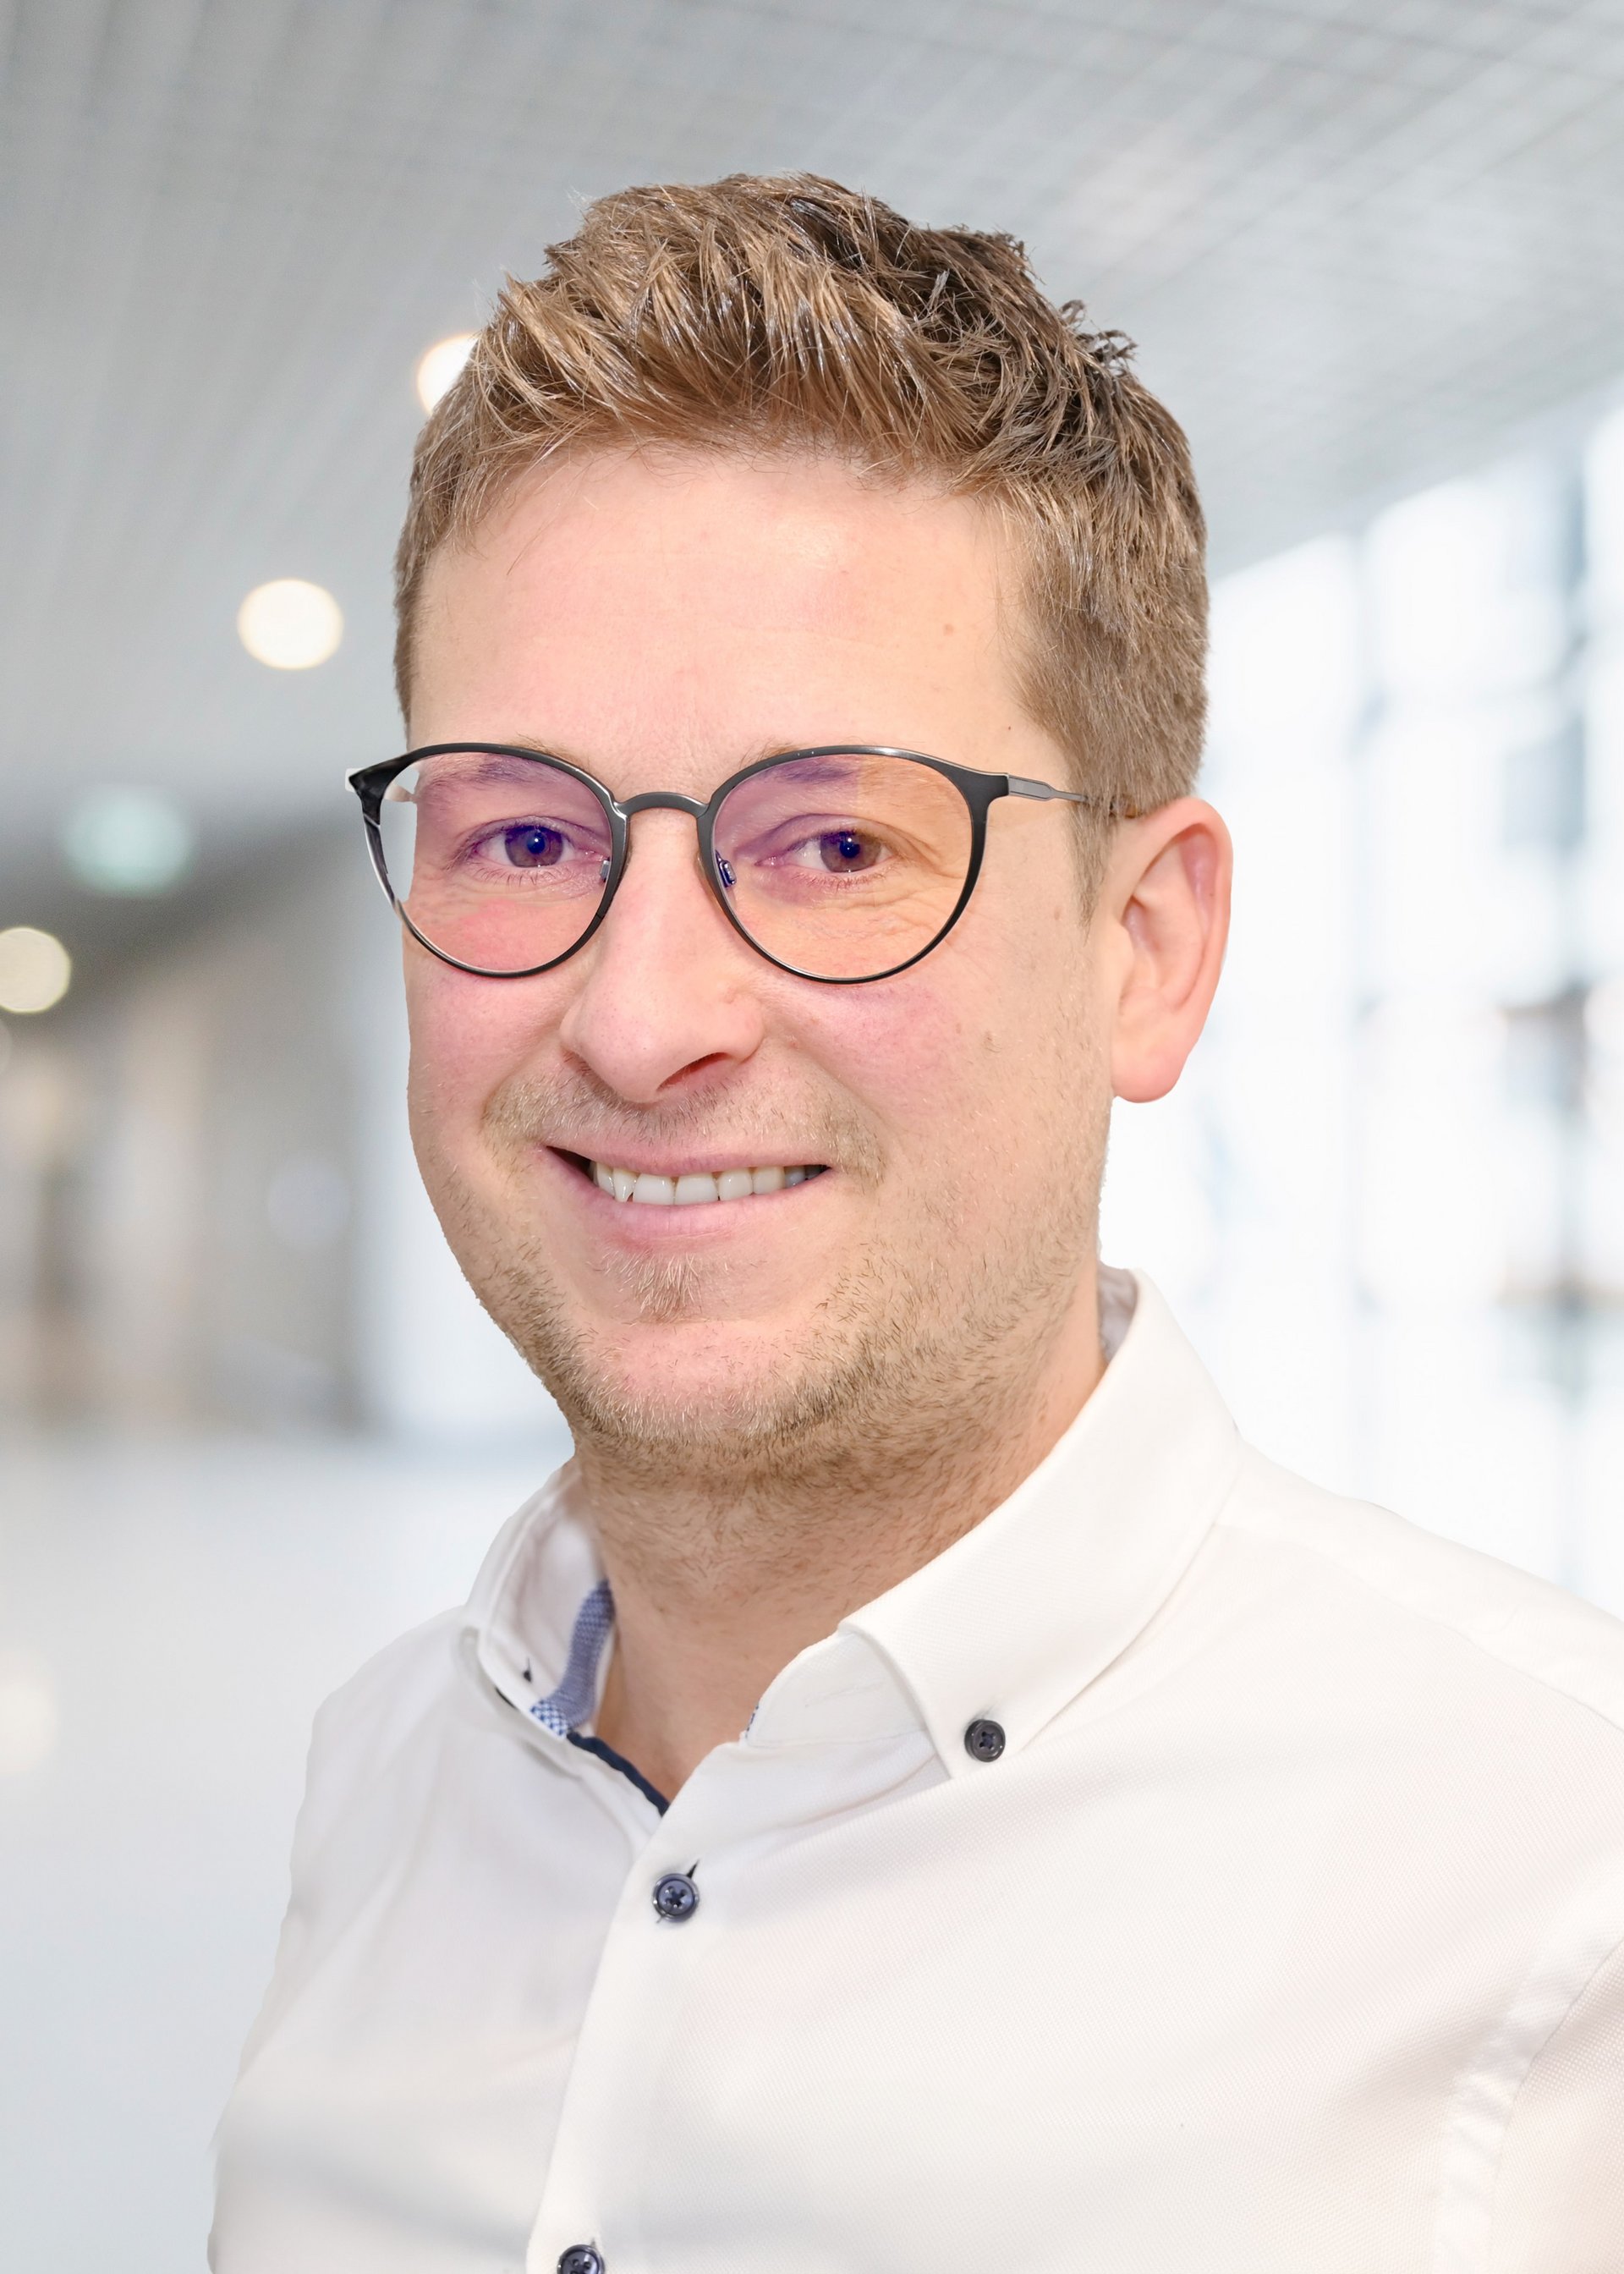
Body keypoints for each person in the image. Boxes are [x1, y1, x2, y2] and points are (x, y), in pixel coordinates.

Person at [211, 174, 1624, 2273]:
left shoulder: (1556, 1909)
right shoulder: (383, 1775)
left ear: (1146, 950)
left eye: (839, 845)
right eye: (523, 836)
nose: (642, 1019)